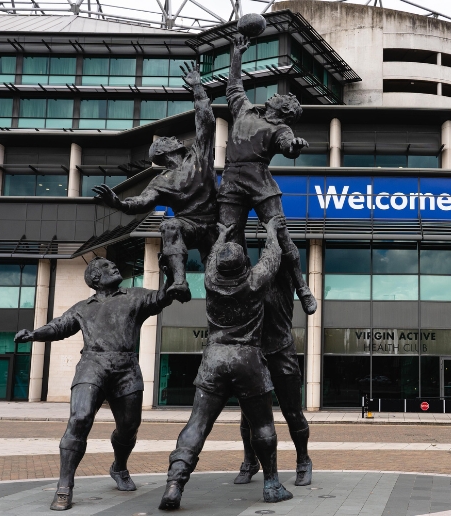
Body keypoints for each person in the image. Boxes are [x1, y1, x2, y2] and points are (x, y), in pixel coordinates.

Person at [15, 258, 176, 511]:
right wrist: (34, 334)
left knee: (129, 427)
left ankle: (119, 467)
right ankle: (64, 486)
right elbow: (59, 326)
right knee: (79, 419)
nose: (114, 266)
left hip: (126, 367)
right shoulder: (82, 307)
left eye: (114, 264)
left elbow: (162, 298)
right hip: (92, 364)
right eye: (106, 266)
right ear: (95, 279)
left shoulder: (134, 296)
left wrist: (171, 276)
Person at [159, 217, 293, 510]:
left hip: (215, 359)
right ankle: (271, 484)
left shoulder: (210, 280)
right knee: (262, 424)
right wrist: (271, 230)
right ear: (245, 263)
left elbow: (211, 259)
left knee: (197, 424)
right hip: (249, 360)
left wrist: (221, 236)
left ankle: (174, 484)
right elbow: (273, 255)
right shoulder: (255, 281)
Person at [93, 62, 217, 303]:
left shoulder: (199, 155)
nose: (174, 138)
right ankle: (180, 282)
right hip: (190, 227)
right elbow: (140, 202)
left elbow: (207, 121)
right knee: (170, 226)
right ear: (165, 151)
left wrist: (198, 88)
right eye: (169, 139)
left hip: (217, 224)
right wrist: (118, 203)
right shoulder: (161, 181)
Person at [217, 34, 317, 316]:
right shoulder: (245, 111)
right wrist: (236, 54)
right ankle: (237, 290)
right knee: (227, 236)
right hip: (232, 182)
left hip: (260, 182)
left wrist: (295, 147)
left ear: (284, 109)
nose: (274, 95)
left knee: (282, 234)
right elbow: (234, 86)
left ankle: (302, 287)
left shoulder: (281, 130)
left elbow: (288, 147)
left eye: (279, 97)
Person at [233, 252, 311, 486]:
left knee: (293, 412)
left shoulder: (282, 278)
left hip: (282, 352)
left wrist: (272, 227)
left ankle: (303, 460)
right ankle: (250, 461)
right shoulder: (243, 286)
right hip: (255, 356)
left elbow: (289, 252)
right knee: (248, 417)